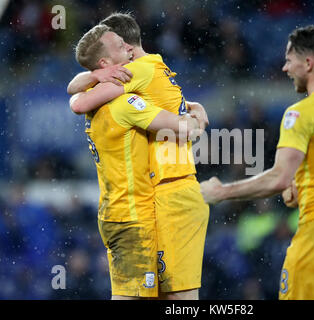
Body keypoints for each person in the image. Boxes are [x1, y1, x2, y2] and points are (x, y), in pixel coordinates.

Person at [200, 25, 314, 300]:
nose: (284, 68)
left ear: (308, 63)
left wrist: (221, 192)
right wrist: (302, 184)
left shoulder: (303, 111)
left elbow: (278, 178)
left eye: (288, 59)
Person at [68, 13, 210, 300]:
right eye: (119, 47)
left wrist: (192, 114)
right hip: (144, 207)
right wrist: (195, 118)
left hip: (144, 204)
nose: (127, 51)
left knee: (169, 298)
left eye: (123, 45)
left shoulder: (128, 81)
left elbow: (77, 98)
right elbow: (77, 97)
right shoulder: (141, 83)